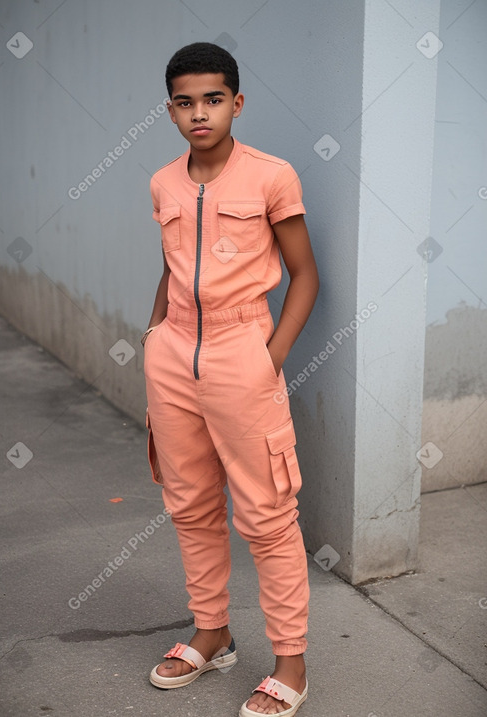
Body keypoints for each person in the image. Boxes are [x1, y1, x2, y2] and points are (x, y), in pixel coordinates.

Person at [143, 41, 319, 717]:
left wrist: (267, 357)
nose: (199, 113)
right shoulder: (163, 182)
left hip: (242, 354)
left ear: (236, 103)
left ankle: (291, 662)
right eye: (185, 102)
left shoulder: (272, 177)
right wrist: (156, 331)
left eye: (213, 98)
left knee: (268, 514)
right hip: (174, 358)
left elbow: (305, 275)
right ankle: (212, 631)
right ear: (170, 110)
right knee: (190, 504)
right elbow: (171, 263)